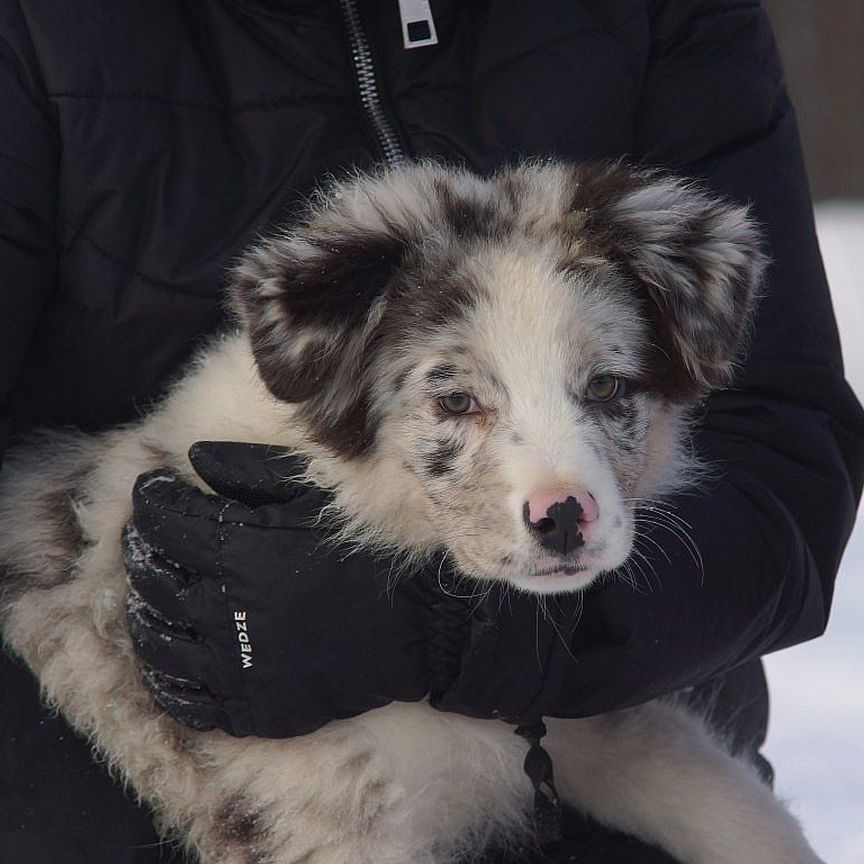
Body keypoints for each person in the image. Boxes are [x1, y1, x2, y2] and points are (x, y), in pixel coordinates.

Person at [1, 1, 862, 862]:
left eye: (604, 388)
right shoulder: (40, 30)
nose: (560, 487)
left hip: (630, 682)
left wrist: (452, 631)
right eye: (458, 402)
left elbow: (780, 439)